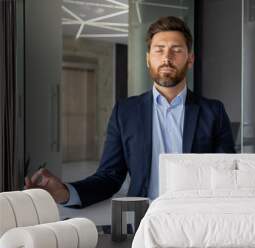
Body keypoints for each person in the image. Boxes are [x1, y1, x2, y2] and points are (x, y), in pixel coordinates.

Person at [25, 16, 235, 208]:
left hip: (198, 215)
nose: (167, 57)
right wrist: (64, 192)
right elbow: (109, 177)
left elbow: (226, 176)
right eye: (159, 49)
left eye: (176, 50)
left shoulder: (213, 111)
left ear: (190, 59)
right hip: (142, 219)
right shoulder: (125, 112)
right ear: (147, 59)